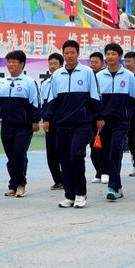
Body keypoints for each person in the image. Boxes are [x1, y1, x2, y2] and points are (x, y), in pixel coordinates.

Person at [43, 39, 101, 209]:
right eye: (66, 53)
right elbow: (52, 99)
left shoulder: (87, 72)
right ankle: (69, 195)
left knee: (76, 155)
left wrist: (99, 117)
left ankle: (80, 193)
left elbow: (95, 96)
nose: (69, 56)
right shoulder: (57, 75)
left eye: (72, 53)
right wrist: (47, 118)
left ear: (78, 54)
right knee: (64, 159)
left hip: (83, 124)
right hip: (62, 124)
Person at [95, 43, 135, 201]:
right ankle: (117, 187)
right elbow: (94, 100)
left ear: (119, 57)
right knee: (106, 154)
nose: (110, 57)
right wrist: (97, 118)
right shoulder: (98, 76)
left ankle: (112, 187)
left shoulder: (128, 76)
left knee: (115, 152)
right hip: (103, 123)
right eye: (108, 54)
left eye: (113, 54)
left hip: (121, 122)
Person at [0, 50, 40, 198]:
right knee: (10, 157)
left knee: (19, 154)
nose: (11, 65)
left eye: (14, 62)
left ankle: (21, 184)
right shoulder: (1, 83)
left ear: (22, 64)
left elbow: (35, 102)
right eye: (9, 62)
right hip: (6, 125)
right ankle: (13, 185)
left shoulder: (29, 82)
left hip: (24, 126)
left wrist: (35, 121)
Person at [41, 53, 64, 189]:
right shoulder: (45, 84)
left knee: (63, 151)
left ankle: (67, 178)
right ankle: (58, 180)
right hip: (50, 122)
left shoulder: (65, 82)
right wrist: (45, 118)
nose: (52, 66)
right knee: (51, 153)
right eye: (50, 64)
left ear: (61, 65)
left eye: (55, 64)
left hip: (64, 121)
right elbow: (44, 103)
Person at [88, 51, 107, 184]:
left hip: (102, 117)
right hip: (89, 118)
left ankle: (105, 171)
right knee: (93, 146)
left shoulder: (103, 77)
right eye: (92, 62)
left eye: (96, 62)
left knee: (101, 145)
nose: (93, 64)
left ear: (102, 64)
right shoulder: (88, 76)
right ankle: (99, 172)